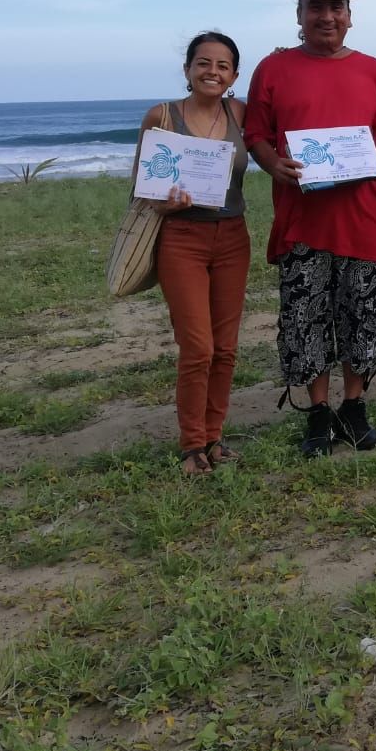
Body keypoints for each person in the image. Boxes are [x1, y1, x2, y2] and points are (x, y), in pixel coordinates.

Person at [244, 0, 376, 458]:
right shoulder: (273, 69)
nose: (326, 16)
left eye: (336, 7)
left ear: (350, 14)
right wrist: (274, 164)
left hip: (362, 218)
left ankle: (353, 408)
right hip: (302, 219)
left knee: (364, 316)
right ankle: (317, 415)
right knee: (305, 320)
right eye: (316, 7)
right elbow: (256, 136)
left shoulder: (374, 70)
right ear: (300, 12)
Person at [134, 32, 251, 476]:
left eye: (223, 66)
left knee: (226, 348)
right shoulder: (161, 116)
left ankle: (215, 438)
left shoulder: (239, 112)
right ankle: (191, 445)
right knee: (198, 347)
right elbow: (141, 187)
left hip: (232, 237)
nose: (212, 72)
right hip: (181, 238)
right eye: (203, 63)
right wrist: (164, 202)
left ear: (234, 76)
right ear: (187, 70)